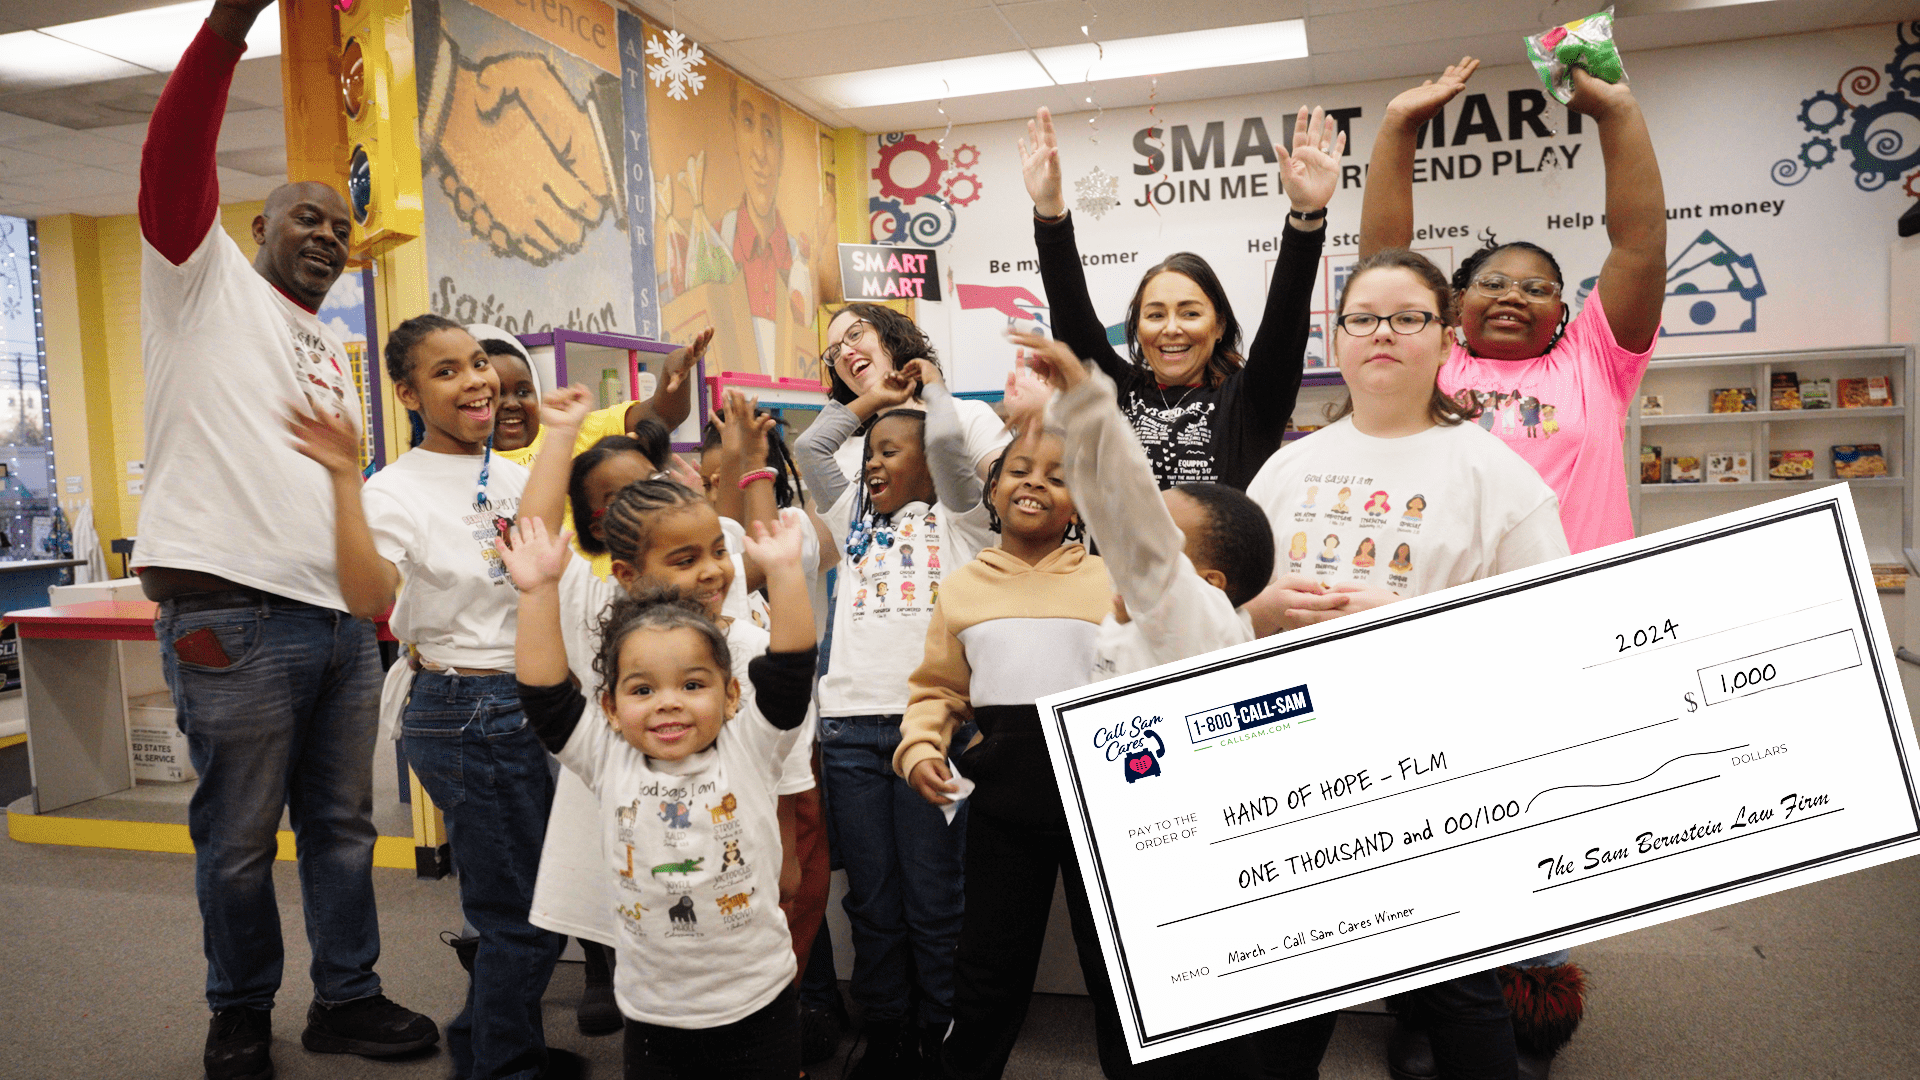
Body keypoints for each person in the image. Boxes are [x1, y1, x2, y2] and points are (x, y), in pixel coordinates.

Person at [135, 4, 436, 1076]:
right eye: (306, 217)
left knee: (344, 830)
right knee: (237, 839)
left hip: (339, 626)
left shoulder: (327, 348)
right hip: (230, 616)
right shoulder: (199, 282)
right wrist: (228, 27)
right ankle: (240, 1011)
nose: (327, 234)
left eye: (340, 228)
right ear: (257, 227)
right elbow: (174, 156)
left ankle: (345, 998)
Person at [1246, 248, 1571, 1080]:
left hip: (1432, 768)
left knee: (1458, 987)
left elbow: (1553, 634)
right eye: (1362, 318)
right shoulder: (1287, 469)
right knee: (1294, 992)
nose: (1382, 334)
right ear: (1338, 339)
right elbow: (1225, 613)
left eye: (1407, 317)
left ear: (1445, 336)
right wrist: (1260, 611)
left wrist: (1407, 622)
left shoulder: (1497, 477)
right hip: (1300, 768)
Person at [291, 315, 569, 1080]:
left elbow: (537, 552)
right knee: (524, 916)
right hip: (469, 708)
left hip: (525, 699)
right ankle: (502, 1064)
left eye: (478, 363)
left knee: (527, 901)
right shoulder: (395, 489)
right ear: (408, 395)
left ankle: (490, 1044)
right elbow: (367, 598)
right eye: (446, 372)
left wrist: (563, 436)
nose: (477, 381)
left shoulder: (504, 472)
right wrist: (343, 479)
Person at [502, 509, 818, 1080]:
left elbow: (792, 671)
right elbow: (545, 694)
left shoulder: (750, 747)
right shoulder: (607, 758)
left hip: (759, 1005)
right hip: (653, 1016)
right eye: (642, 689)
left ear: (731, 695)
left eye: (692, 684)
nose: (668, 701)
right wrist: (537, 591)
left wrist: (786, 571)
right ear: (610, 707)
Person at [1358, 58, 1666, 554]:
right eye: (1494, 283)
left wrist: (1617, 111)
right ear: (1457, 304)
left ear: (1561, 313)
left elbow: (1639, 248)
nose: (1513, 296)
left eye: (1537, 289)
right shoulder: (1428, 362)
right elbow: (1383, 270)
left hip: (1583, 590)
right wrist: (1399, 125)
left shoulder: (1594, 363)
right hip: (1453, 594)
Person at [794, 357, 997, 1077]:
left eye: (889, 452)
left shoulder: (961, 519)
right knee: (874, 901)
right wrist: (873, 399)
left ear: (932, 469)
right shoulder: (851, 513)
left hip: (933, 733)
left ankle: (941, 1035)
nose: (872, 463)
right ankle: (887, 1032)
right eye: (870, 454)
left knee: (935, 899)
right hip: (849, 732)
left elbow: (946, 444)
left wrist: (932, 389)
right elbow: (812, 447)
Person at [1017, 104, 1342, 489]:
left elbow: (1285, 320)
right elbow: (1072, 316)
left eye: (1189, 313)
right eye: (1155, 315)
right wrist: (1050, 212)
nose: (1171, 329)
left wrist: (1306, 214)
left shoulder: (1250, 401)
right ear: (1137, 328)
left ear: (1219, 326)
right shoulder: (1114, 394)